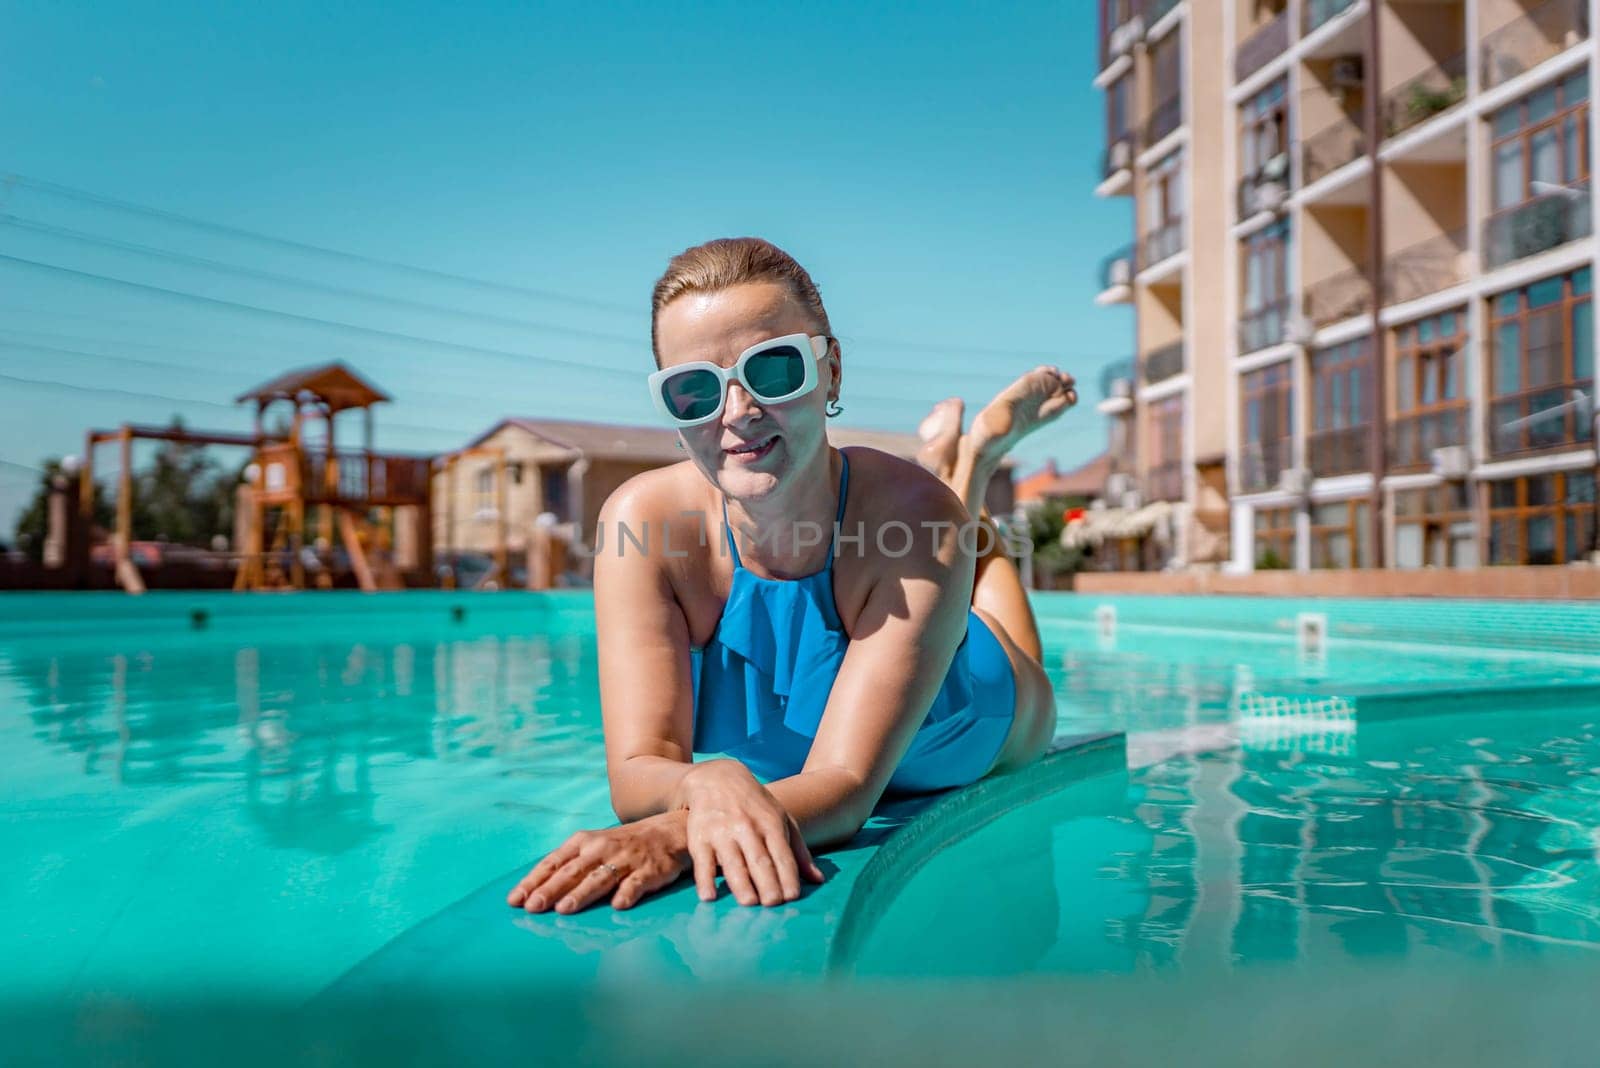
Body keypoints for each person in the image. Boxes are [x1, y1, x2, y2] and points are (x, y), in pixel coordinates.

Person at [508, 238, 1077, 916]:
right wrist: (712, 781)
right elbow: (637, 769)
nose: (738, 410)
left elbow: (846, 786)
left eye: (773, 370)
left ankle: (974, 462)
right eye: (695, 389)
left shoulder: (914, 517)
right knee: (941, 526)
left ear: (829, 372)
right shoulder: (643, 524)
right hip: (894, 563)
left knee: (970, 563)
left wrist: (676, 831)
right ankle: (958, 467)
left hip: (966, 708)